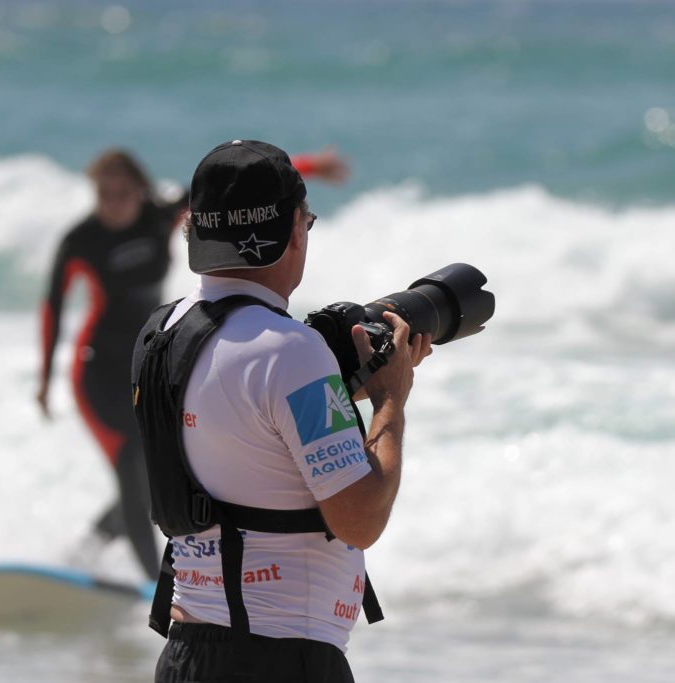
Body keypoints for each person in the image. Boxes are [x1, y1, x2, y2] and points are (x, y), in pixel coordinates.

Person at [131, 139, 431, 682]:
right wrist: (391, 397)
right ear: (295, 229)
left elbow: (244, 429)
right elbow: (359, 520)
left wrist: (339, 392)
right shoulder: (289, 351)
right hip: (278, 659)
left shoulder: (162, 332)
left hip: (187, 653)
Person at [37, 146, 351, 579]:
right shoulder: (82, 238)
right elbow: (52, 308)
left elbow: (243, 184)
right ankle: (152, 583)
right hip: (96, 374)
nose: (113, 203)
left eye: (122, 192)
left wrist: (314, 166)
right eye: (103, 194)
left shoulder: (159, 216)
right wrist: (43, 381)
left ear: (139, 188)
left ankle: (88, 550)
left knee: (158, 470)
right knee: (135, 467)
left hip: (146, 362)